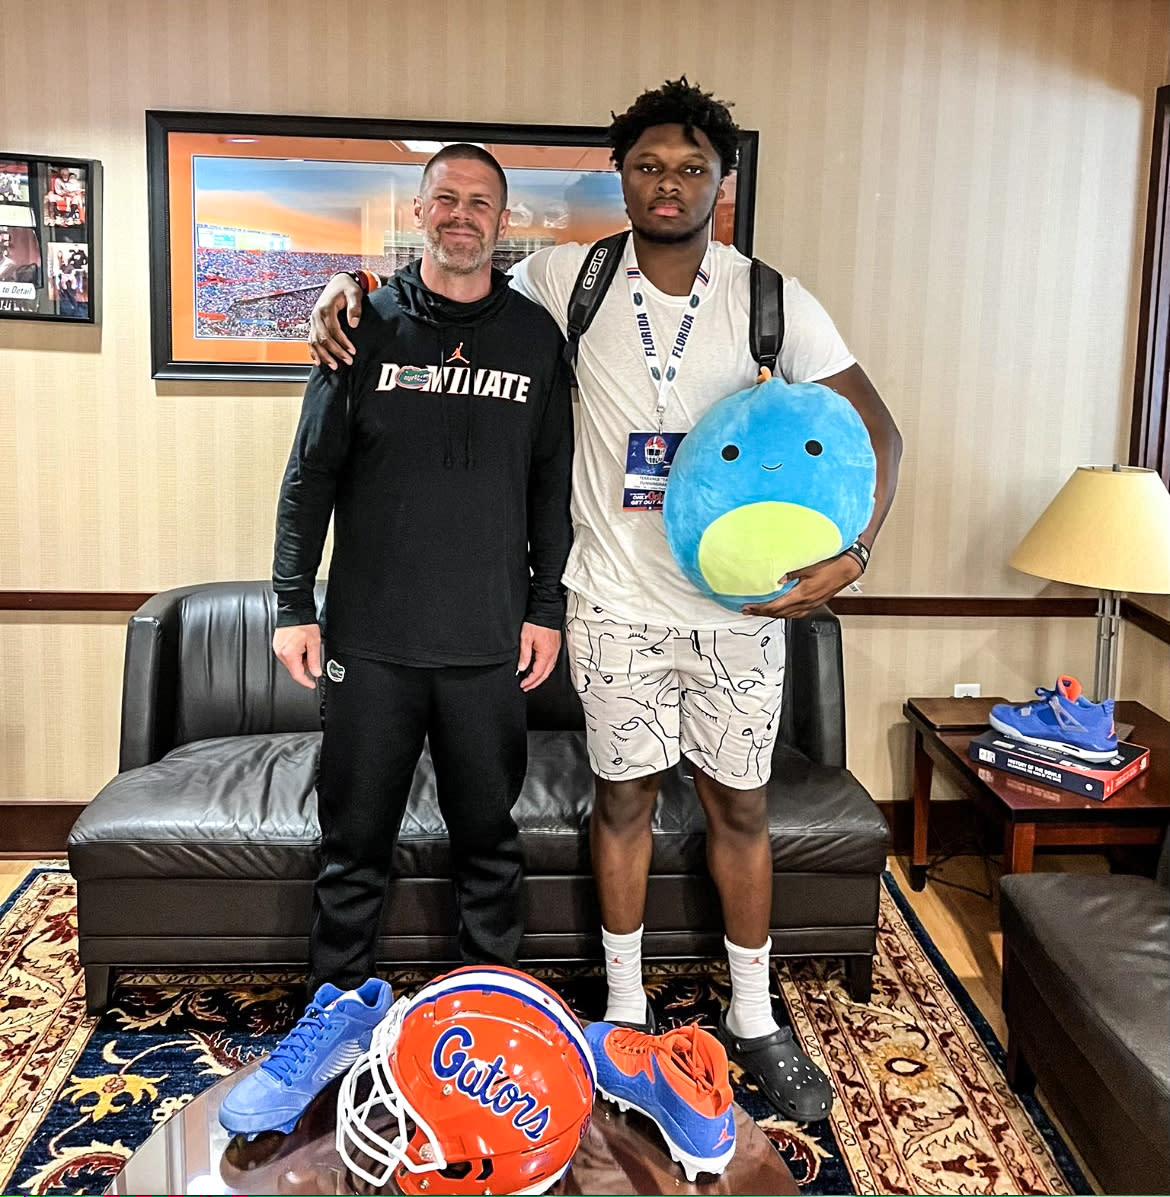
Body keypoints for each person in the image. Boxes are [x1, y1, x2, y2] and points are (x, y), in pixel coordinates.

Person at [308, 80, 902, 1123]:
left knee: (741, 809)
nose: (668, 184)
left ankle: (755, 1021)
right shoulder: (566, 278)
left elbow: (877, 432)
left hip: (742, 611)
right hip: (615, 605)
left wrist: (852, 554)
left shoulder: (773, 299)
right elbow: (448, 276)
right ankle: (623, 1013)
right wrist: (345, 286)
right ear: (619, 178)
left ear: (722, 184)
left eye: (690, 169)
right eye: (647, 167)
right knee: (620, 801)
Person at [274, 143, 573, 1000]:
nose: (462, 215)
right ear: (418, 213)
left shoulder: (535, 339)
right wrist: (294, 602)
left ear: (503, 221)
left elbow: (552, 489)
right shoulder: (362, 323)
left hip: (488, 643)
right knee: (353, 843)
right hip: (371, 644)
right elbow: (309, 476)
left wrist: (544, 606)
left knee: (490, 844)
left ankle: (489, 1008)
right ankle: (332, 1013)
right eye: (446, 199)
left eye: (481, 202)